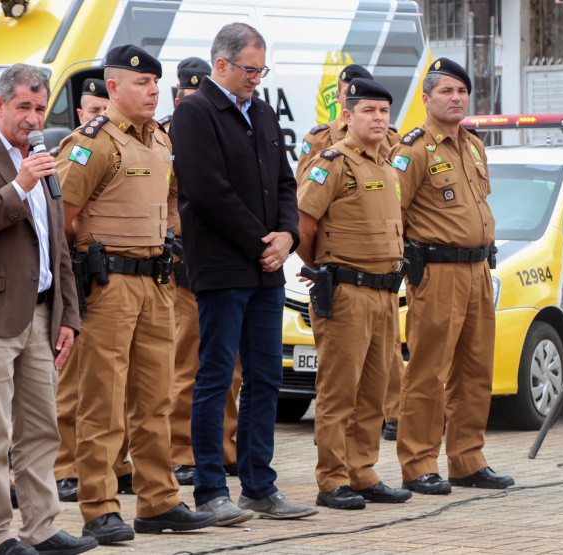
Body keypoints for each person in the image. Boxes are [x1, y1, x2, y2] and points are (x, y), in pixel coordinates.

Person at [56, 45, 215, 542]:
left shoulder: (161, 140)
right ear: (113, 87)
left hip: (156, 281)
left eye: (155, 83)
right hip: (109, 285)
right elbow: (60, 221)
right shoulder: (93, 142)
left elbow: (173, 202)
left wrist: (164, 239)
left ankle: (159, 501)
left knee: (155, 399)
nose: (153, 91)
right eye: (141, 83)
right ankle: (100, 507)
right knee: (102, 402)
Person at [0, 63, 97, 555]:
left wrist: (68, 315)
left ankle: (41, 528)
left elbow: (57, 245)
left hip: (42, 314)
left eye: (40, 108)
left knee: (41, 431)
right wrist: (20, 185)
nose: (33, 117)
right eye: (24, 106)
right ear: (0, 105)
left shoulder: (43, 157)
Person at [170, 22, 317, 525]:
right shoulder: (195, 112)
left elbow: (284, 184)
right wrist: (264, 243)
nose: (256, 78)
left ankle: (259, 486)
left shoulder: (263, 112)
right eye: (250, 70)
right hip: (223, 267)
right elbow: (207, 192)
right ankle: (211, 489)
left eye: (261, 70)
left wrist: (288, 235)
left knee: (265, 378)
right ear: (222, 64)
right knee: (216, 378)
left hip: (266, 269)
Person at [390, 57, 514, 495]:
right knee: (429, 371)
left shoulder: (474, 145)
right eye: (446, 91)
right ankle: (418, 463)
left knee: (475, 369)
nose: (456, 98)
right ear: (427, 100)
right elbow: (394, 212)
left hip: (479, 268)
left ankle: (467, 460)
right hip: (437, 271)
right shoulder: (413, 149)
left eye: (462, 91)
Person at [296, 78, 411, 510]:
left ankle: (363, 472)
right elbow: (303, 224)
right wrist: (325, 266)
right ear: (348, 115)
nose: (378, 118)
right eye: (368, 111)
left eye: (384, 111)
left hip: (384, 292)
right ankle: (332, 479)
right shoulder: (333, 162)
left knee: (375, 390)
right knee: (339, 391)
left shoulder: (387, 164)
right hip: (346, 290)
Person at [53, 76, 135, 505]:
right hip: (81, 274)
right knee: (73, 383)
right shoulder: (77, 151)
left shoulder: (126, 146)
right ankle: (65, 467)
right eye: (92, 110)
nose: (100, 116)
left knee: (115, 384)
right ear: (80, 113)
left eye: (106, 109)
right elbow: (62, 219)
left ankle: (117, 464)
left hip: (116, 277)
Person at [164, 54, 243, 488]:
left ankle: (224, 447)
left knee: (230, 366)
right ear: (178, 96)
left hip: (226, 261)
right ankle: (183, 450)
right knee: (190, 363)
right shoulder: (164, 137)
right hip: (185, 265)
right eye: (187, 95)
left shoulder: (226, 130)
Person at [295, 64, 399, 182]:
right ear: (338, 96)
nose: (353, 99)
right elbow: (302, 185)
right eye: (347, 94)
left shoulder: (390, 136)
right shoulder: (319, 138)